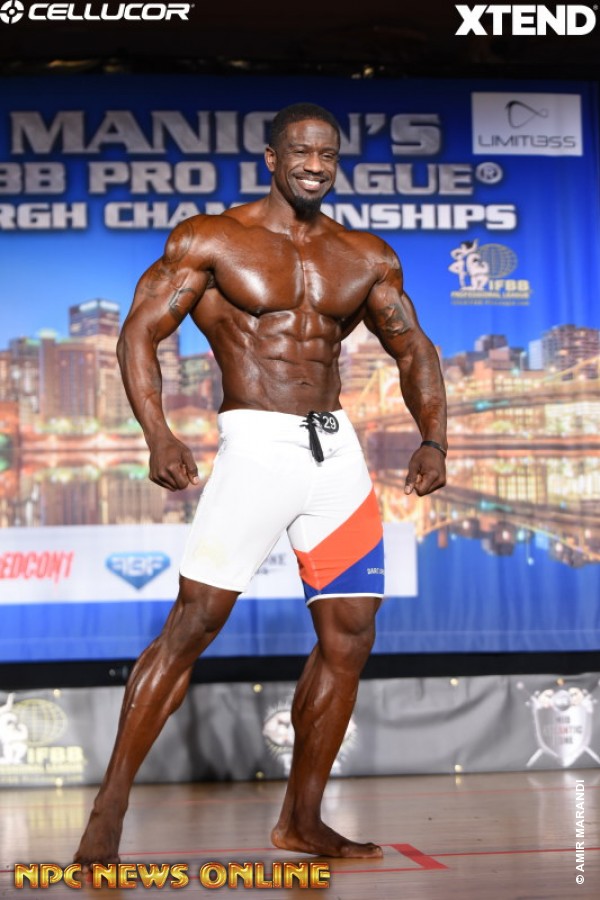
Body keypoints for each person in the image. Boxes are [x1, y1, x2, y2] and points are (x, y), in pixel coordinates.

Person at [75, 102, 447, 865]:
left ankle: (302, 820)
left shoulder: (364, 254)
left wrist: (435, 437)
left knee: (351, 634)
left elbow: (413, 348)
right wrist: (158, 432)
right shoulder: (212, 238)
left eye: (328, 154)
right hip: (256, 447)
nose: (315, 164)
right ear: (272, 158)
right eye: (301, 151)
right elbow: (140, 332)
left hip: (334, 454)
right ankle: (108, 813)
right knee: (195, 624)